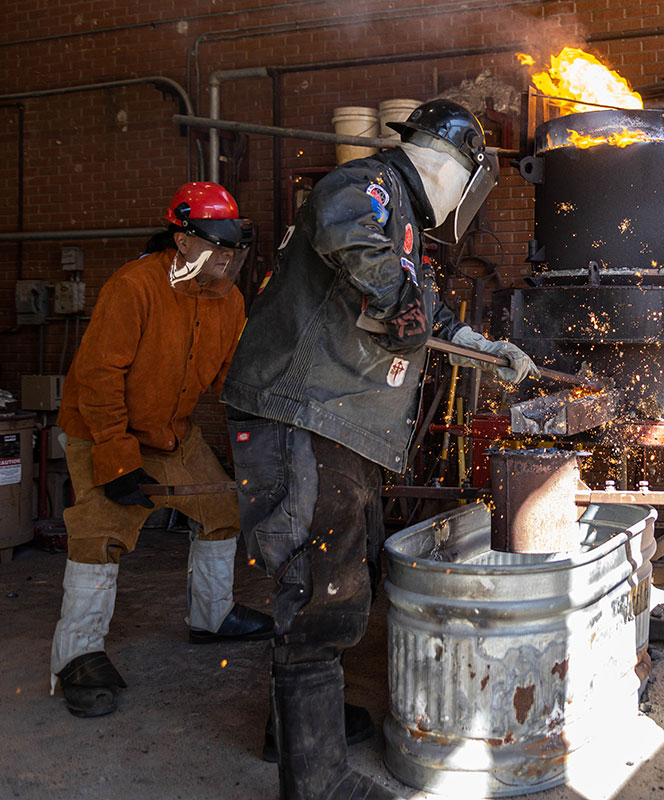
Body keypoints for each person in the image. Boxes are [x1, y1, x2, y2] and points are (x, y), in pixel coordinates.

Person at [220, 99, 537, 799]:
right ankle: (319, 783)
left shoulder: (405, 230)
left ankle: (296, 731)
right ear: (453, 169)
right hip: (306, 417)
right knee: (319, 599)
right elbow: (349, 234)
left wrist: (489, 350)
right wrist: (402, 302)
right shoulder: (370, 188)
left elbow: (427, 317)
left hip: (338, 427)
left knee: (333, 584)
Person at [50, 182, 271, 719]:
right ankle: (76, 655)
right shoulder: (135, 286)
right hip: (101, 427)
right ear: (182, 239)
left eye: (230, 250)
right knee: (101, 532)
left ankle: (211, 617)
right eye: (214, 249)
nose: (223, 260)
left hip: (170, 430)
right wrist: (117, 458)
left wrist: (266, 430)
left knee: (220, 510)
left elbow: (231, 378)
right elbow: (98, 377)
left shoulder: (229, 298)